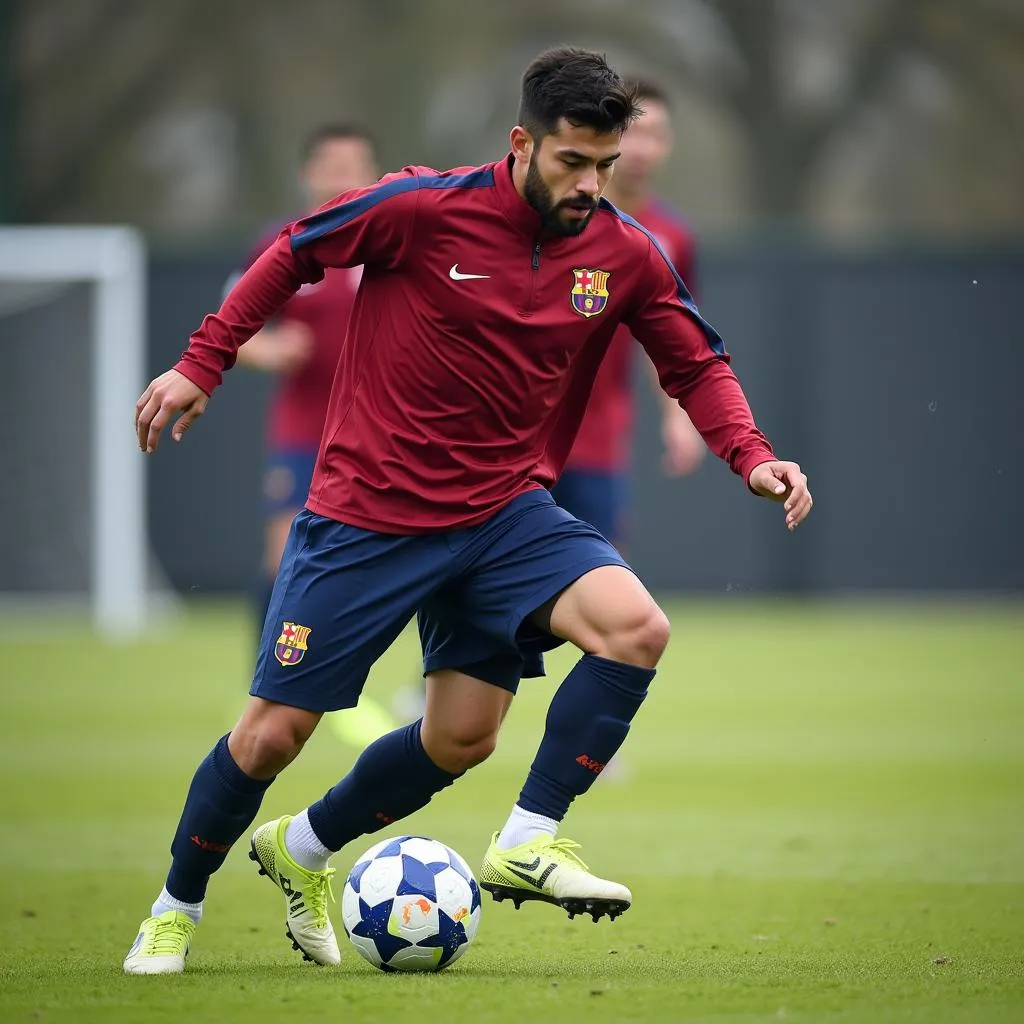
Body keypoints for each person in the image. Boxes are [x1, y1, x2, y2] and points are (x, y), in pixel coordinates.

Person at [127, 46, 812, 975]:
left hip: (503, 514)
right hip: (366, 515)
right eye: (573, 162)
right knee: (270, 737)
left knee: (575, 668)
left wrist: (754, 454)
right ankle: (175, 909)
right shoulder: (419, 206)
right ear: (521, 143)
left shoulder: (622, 250)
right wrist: (201, 362)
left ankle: (510, 841)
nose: (590, 185)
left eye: (606, 166)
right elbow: (293, 252)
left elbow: (694, 363)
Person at [232, 123, 378, 628]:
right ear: (308, 174)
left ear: (373, 175)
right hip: (303, 428)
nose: (342, 180)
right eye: (331, 168)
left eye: (352, 168)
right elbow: (232, 329)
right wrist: (272, 348)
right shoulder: (282, 243)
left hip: (379, 432)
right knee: (286, 560)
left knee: (383, 563)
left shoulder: (390, 241)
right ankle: (263, 688)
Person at [553, 78, 705, 548]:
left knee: (598, 577)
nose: (642, 148)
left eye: (655, 134)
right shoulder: (562, 214)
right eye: (633, 133)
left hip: (600, 440)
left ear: (669, 145)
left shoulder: (671, 237)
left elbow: (670, 338)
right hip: (523, 433)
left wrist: (679, 417)